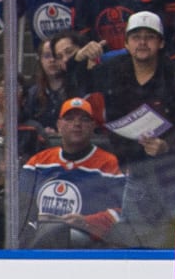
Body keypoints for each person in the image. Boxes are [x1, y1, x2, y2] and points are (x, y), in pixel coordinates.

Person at [95, 10, 175, 245]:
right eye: (136, 37)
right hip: (136, 170)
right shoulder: (116, 72)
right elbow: (79, 83)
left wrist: (167, 144)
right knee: (131, 237)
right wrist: (79, 61)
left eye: (150, 36)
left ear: (161, 43)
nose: (143, 42)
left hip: (173, 171)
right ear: (126, 43)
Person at [24, 96, 129, 247]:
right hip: (38, 241)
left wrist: (87, 222)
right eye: (70, 118)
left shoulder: (108, 163)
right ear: (59, 125)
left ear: (93, 126)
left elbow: (123, 210)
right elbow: (19, 206)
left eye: (84, 119)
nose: (77, 124)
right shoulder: (38, 162)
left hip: (86, 247)